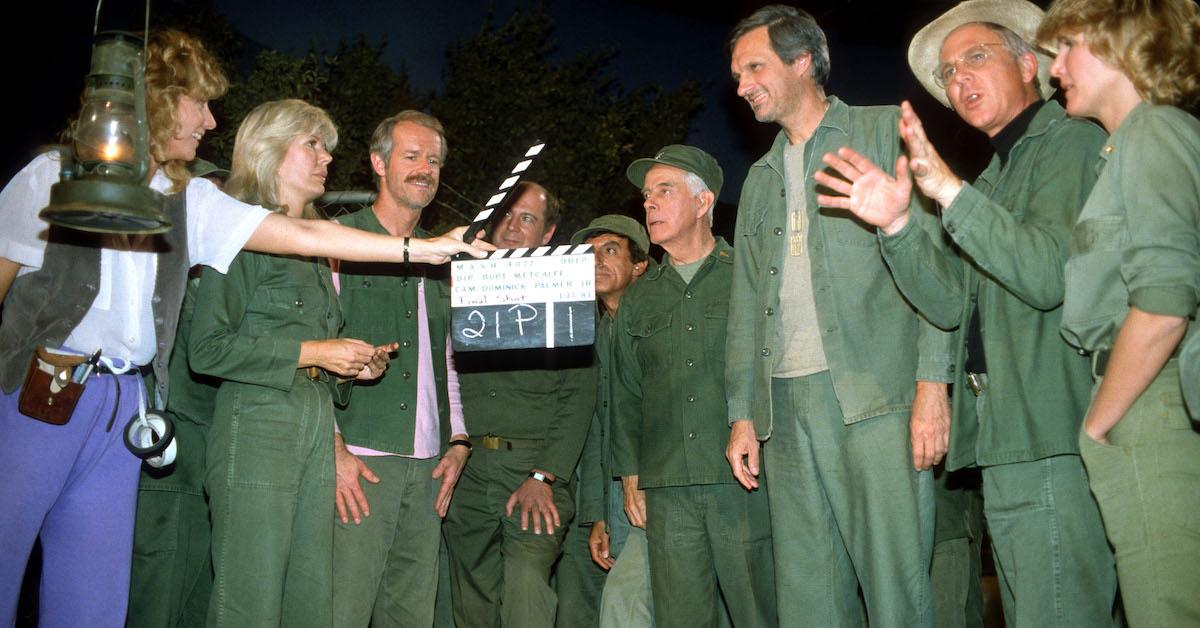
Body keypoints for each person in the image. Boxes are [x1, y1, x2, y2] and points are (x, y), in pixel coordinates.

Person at [0, 29, 486, 628]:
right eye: (199, 102)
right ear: (156, 98)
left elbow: (305, 234)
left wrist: (424, 249)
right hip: (39, 386)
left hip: (126, 404)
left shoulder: (187, 201)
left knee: (93, 594)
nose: (209, 120)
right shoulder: (53, 173)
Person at [811, 0, 1118, 624]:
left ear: (1029, 63)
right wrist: (897, 225)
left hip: (1052, 432)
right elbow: (951, 303)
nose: (958, 80)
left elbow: (1043, 274)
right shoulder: (997, 177)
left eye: (976, 57)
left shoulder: (1069, 141)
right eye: (949, 72)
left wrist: (948, 192)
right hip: (1009, 437)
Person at [723, 6, 956, 626]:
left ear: (803, 61)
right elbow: (746, 304)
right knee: (808, 598)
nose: (741, 85)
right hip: (784, 405)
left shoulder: (881, 134)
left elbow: (938, 274)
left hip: (874, 398)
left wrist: (933, 388)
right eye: (736, 73)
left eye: (754, 67)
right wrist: (743, 415)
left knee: (895, 588)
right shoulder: (761, 177)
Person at [186, 98, 397, 626]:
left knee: (309, 594)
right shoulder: (239, 232)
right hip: (256, 422)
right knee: (248, 595)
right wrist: (315, 352)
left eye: (325, 146)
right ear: (270, 150)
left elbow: (318, 351)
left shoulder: (317, 248)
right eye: (312, 144)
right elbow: (206, 348)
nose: (326, 158)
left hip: (311, 419)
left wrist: (353, 363)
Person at [1036, 1, 1200, 624]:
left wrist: (1098, 425)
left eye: (1067, 47)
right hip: (1144, 401)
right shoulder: (1128, 146)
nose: (1055, 69)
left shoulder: (1156, 133)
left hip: (1149, 406)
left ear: (1120, 44)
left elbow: (1162, 307)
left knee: (1166, 607)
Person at [612, 145, 777, 628]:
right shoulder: (640, 297)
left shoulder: (746, 276)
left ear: (703, 202)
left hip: (742, 484)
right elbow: (623, 394)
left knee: (757, 612)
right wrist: (629, 475)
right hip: (666, 490)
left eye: (665, 191)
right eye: (646, 195)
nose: (649, 204)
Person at [329, 110, 470, 627]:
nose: (424, 169)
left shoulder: (445, 259)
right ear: (377, 162)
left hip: (429, 466)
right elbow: (307, 355)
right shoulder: (336, 244)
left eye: (433, 160)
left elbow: (450, 361)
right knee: (339, 611)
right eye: (411, 156)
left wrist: (459, 442)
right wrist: (333, 449)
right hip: (361, 467)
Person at [443, 181, 596, 628]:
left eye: (527, 218)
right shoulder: (455, 282)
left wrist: (543, 475)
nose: (512, 226)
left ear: (548, 234)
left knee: (527, 587)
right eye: (507, 214)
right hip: (467, 469)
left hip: (534, 470)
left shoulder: (564, 292)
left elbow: (579, 394)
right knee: (471, 599)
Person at [570, 215, 653, 628]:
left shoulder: (655, 325)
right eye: (588, 254)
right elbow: (598, 430)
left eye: (610, 250)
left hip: (660, 495)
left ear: (639, 265)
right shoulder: (597, 332)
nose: (596, 261)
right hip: (622, 505)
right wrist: (600, 515)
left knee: (624, 607)